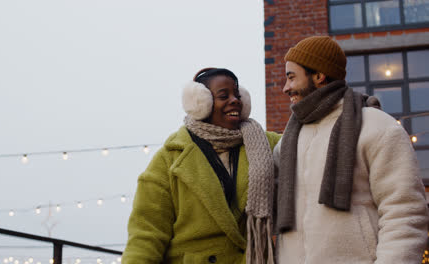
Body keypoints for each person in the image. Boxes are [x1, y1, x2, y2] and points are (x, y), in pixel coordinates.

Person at [273, 36, 429, 264]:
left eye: (291, 77)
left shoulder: (377, 127)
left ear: (318, 75)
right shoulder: (288, 140)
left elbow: (405, 212)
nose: (286, 88)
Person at [122, 68, 280, 264]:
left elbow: (303, 142)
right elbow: (146, 234)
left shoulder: (264, 144)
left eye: (237, 95)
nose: (235, 100)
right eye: (224, 95)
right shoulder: (169, 160)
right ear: (200, 104)